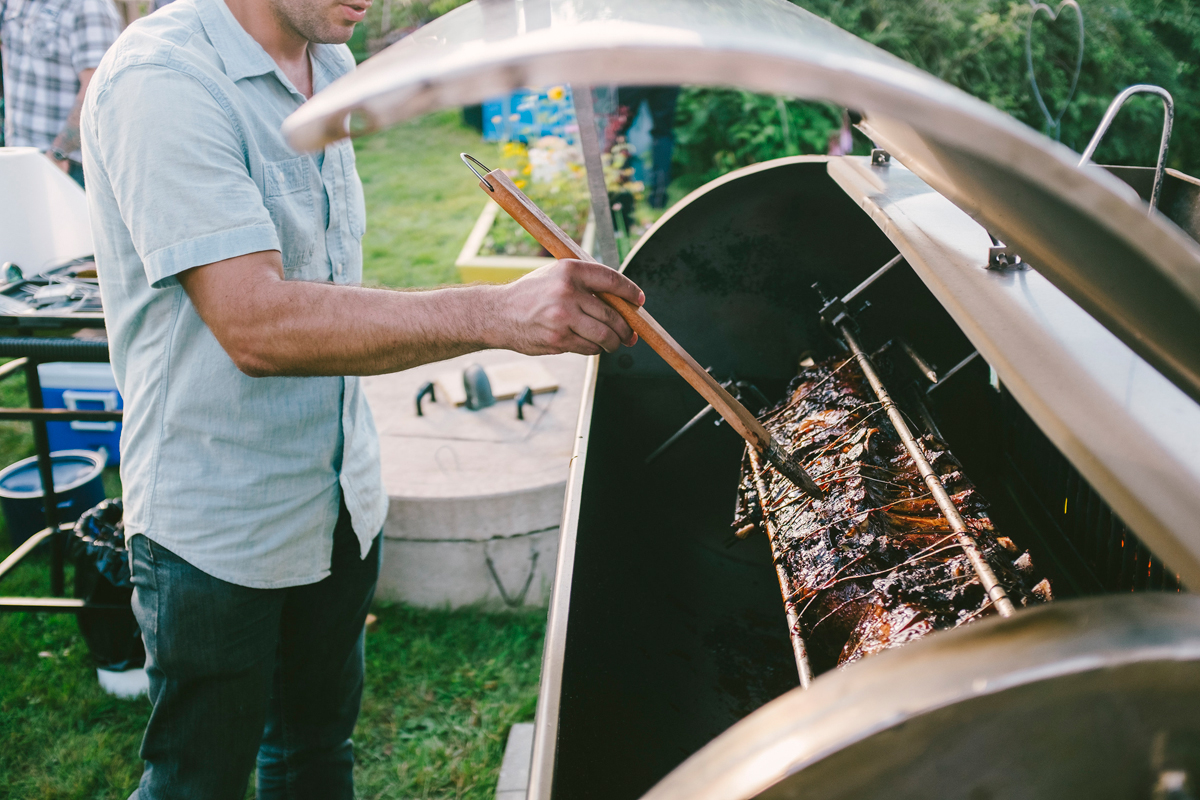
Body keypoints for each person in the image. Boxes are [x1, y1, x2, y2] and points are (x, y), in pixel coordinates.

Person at [79, 0, 644, 795]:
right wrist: (493, 311)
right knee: (194, 781)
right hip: (217, 520)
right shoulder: (161, 80)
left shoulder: (329, 63)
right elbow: (255, 325)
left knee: (314, 754)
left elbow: (323, 278)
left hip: (339, 498)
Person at [1, 0, 121, 186]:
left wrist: (59, 153)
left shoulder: (89, 6)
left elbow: (100, 91)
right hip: (18, 155)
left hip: (68, 165)